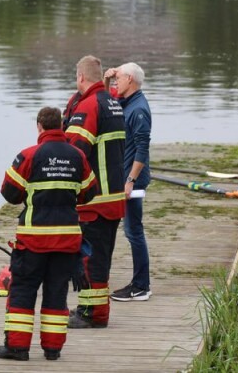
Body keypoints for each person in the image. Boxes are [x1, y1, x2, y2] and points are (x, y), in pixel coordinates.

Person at [0, 107, 95, 362]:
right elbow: (89, 192)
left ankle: (17, 348)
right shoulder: (78, 156)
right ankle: (52, 349)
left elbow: (9, 193)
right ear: (61, 126)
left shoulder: (29, 155)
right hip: (67, 240)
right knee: (57, 292)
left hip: (33, 240)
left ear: (39, 126)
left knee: (23, 291)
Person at [62, 55, 126, 328]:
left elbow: (75, 151)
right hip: (113, 197)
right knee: (102, 257)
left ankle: (91, 313)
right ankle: (97, 311)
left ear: (80, 78)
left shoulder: (88, 106)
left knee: (89, 258)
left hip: (94, 199)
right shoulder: (113, 102)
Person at [105, 62, 153, 302]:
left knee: (134, 232)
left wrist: (131, 180)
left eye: (119, 78)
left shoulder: (138, 109)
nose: (116, 81)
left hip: (133, 181)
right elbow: (105, 103)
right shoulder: (127, 102)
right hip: (125, 178)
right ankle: (138, 283)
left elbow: (142, 148)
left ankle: (141, 286)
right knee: (130, 230)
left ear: (131, 81)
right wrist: (106, 80)